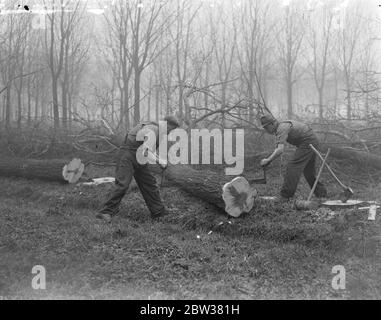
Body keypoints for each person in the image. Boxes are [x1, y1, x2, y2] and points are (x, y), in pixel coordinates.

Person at [96, 115, 180, 223]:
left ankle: (158, 212)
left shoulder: (157, 130)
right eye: (170, 129)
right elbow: (146, 151)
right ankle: (104, 212)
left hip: (138, 156)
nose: (170, 132)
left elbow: (148, 150)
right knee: (123, 184)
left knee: (149, 183)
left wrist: (160, 159)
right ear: (166, 124)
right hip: (127, 155)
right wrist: (160, 161)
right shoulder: (154, 129)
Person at [259, 114, 328, 202]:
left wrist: (268, 160)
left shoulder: (281, 128)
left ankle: (285, 196)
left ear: (272, 124)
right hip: (312, 140)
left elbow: (280, 150)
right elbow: (278, 147)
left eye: (266, 128)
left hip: (308, 141)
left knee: (293, 166)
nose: (266, 130)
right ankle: (321, 194)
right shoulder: (281, 127)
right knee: (308, 171)